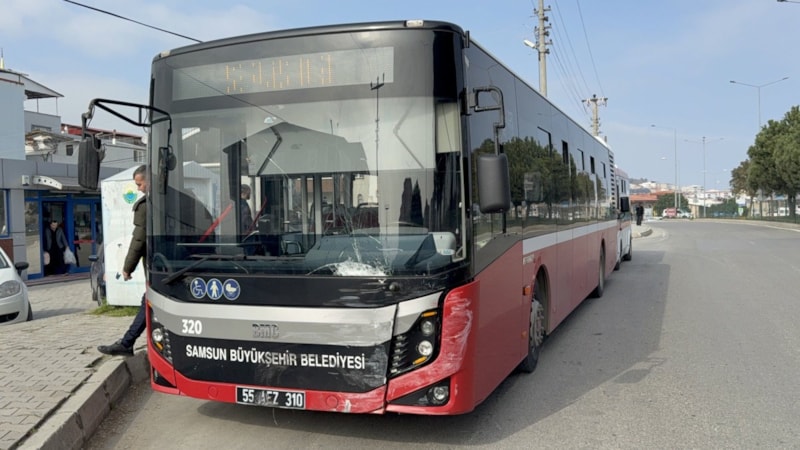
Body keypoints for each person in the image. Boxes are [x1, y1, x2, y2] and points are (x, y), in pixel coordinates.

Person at [98, 165, 148, 357]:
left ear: (149, 180)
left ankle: (127, 343)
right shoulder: (180, 197)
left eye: (140, 184)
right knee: (148, 303)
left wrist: (127, 268)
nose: (138, 189)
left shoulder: (146, 205)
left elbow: (139, 240)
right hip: (183, 266)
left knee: (149, 303)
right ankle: (127, 342)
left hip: (162, 269)